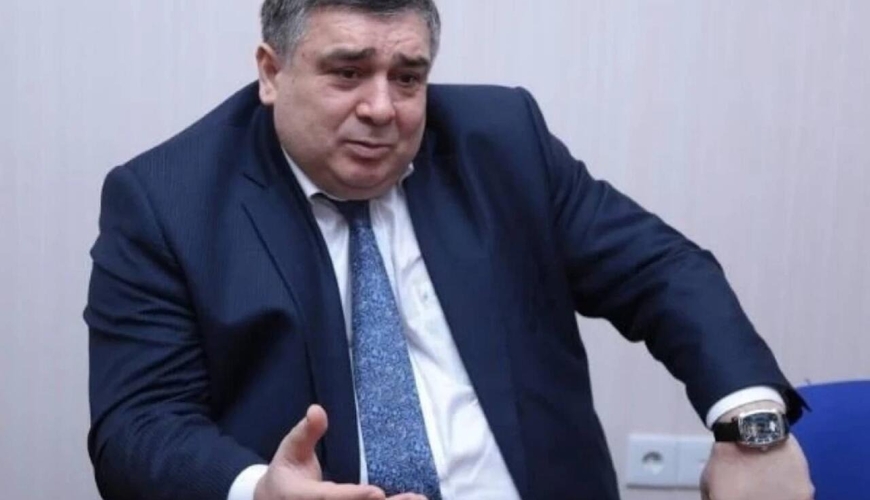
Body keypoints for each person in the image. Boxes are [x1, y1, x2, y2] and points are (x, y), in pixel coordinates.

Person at [84, 1, 815, 499]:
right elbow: (137, 424)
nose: (383, 108)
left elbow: (661, 270)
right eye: (347, 72)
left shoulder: (501, 141)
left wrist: (750, 427)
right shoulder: (168, 202)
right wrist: (256, 491)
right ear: (272, 73)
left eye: (408, 77)